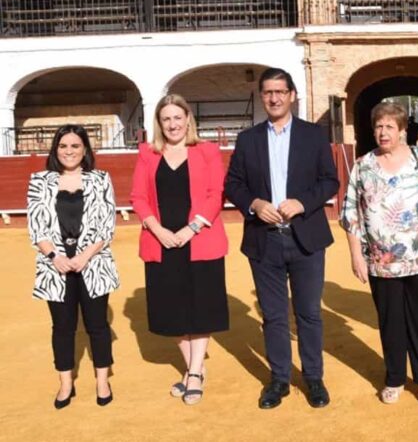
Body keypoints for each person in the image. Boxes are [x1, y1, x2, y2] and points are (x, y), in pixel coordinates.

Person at [224, 68, 339, 410]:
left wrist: (303, 202)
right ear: (262, 97)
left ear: (292, 95)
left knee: (308, 313)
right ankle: (279, 379)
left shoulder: (313, 135)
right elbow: (233, 184)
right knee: (273, 315)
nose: (273, 98)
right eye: (267, 93)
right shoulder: (248, 139)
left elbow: (329, 181)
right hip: (265, 239)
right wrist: (255, 204)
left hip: (305, 237)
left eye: (279, 92)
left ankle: (314, 378)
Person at [340, 102, 418, 406]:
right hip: (381, 262)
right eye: (378, 126)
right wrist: (356, 256)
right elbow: (350, 213)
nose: (382, 132)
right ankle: (394, 378)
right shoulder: (363, 165)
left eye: (390, 126)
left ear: (402, 131)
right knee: (390, 321)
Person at [130, 93, 229, 405]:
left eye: (177, 117)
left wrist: (191, 228)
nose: (173, 124)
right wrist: (158, 230)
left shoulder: (208, 151)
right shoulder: (148, 152)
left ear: (188, 118)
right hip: (161, 242)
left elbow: (216, 194)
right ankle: (193, 368)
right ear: (159, 123)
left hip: (199, 240)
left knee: (201, 308)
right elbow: (138, 197)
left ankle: (195, 372)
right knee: (170, 310)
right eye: (166, 118)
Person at [27, 124, 120, 408]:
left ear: (85, 150)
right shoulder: (39, 180)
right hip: (54, 264)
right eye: (63, 146)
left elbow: (107, 226)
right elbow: (36, 227)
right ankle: (66, 383)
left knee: (98, 326)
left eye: (75, 146)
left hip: (93, 263)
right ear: (56, 150)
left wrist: (85, 256)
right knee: (62, 327)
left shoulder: (101, 179)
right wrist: (56, 256)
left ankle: (102, 380)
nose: (69, 151)